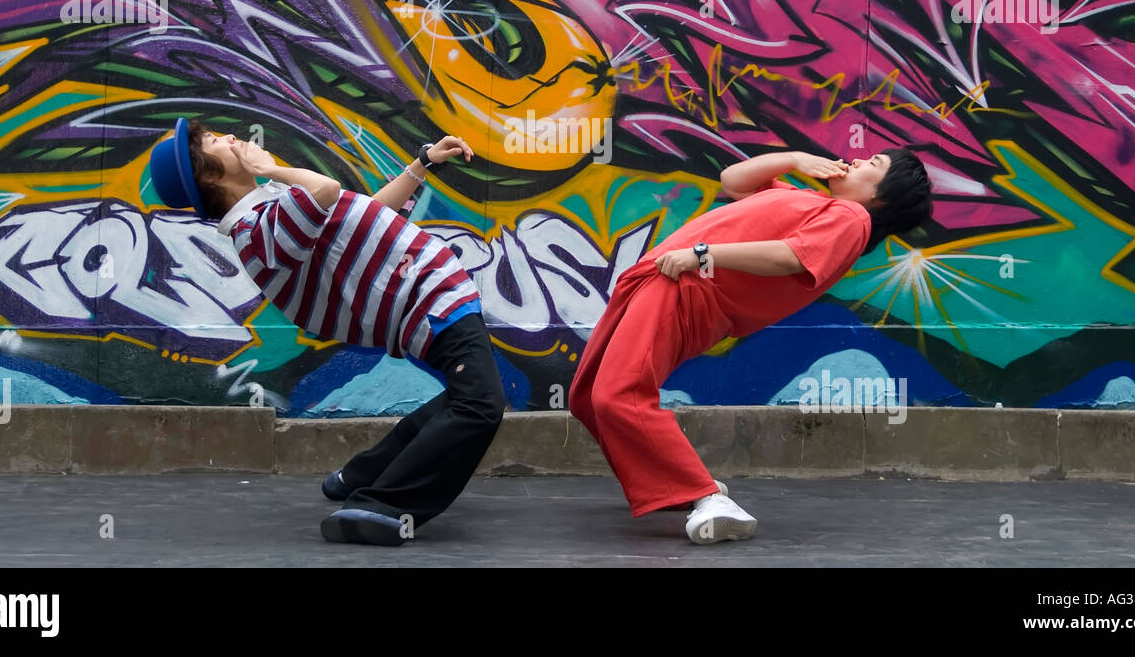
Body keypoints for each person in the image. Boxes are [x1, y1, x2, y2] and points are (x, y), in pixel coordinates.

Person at [147, 118, 505, 546]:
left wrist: (421, 164)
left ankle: (358, 475)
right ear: (208, 174)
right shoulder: (257, 231)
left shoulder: (271, 210)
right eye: (212, 141)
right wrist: (271, 167)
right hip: (428, 301)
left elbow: (365, 217)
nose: (227, 137)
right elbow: (326, 190)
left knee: (464, 397)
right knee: (480, 404)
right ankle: (381, 507)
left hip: (432, 294)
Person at [569, 148, 933, 544]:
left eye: (874, 165)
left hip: (684, 290)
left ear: (881, 197)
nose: (858, 161)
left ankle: (706, 497)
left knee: (618, 394)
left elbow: (789, 257)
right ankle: (673, 487)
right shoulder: (815, 204)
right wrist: (794, 158)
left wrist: (701, 254)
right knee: (586, 396)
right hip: (659, 282)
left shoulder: (851, 218)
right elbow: (734, 180)